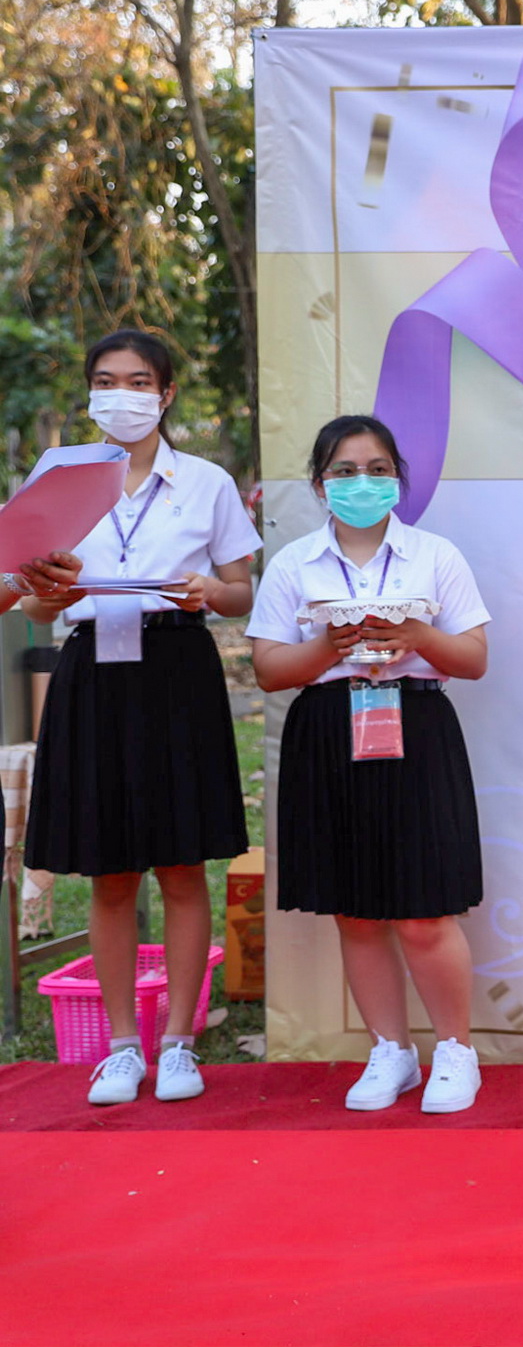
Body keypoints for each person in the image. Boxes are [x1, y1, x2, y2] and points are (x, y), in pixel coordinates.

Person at [23, 329, 261, 1106]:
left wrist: (209, 593)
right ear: (89, 390)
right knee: (110, 869)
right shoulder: (57, 477)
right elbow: (27, 599)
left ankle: (180, 1043)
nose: (119, 394)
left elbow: (241, 591)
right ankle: (122, 1046)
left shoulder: (207, 482)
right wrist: (47, 594)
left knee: (183, 862)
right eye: (105, 379)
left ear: (165, 394)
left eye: (137, 381)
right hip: (91, 670)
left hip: (177, 666)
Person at [248, 416, 491, 1115]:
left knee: (423, 909)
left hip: (417, 725)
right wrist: (328, 646)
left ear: (398, 479)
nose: (362, 482)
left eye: (378, 468)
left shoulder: (434, 555)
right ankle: (392, 1050)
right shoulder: (294, 563)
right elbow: (269, 669)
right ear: (320, 483)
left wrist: (417, 634)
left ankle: (455, 1050)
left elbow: (474, 658)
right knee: (355, 912)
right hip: (328, 729)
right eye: (345, 470)